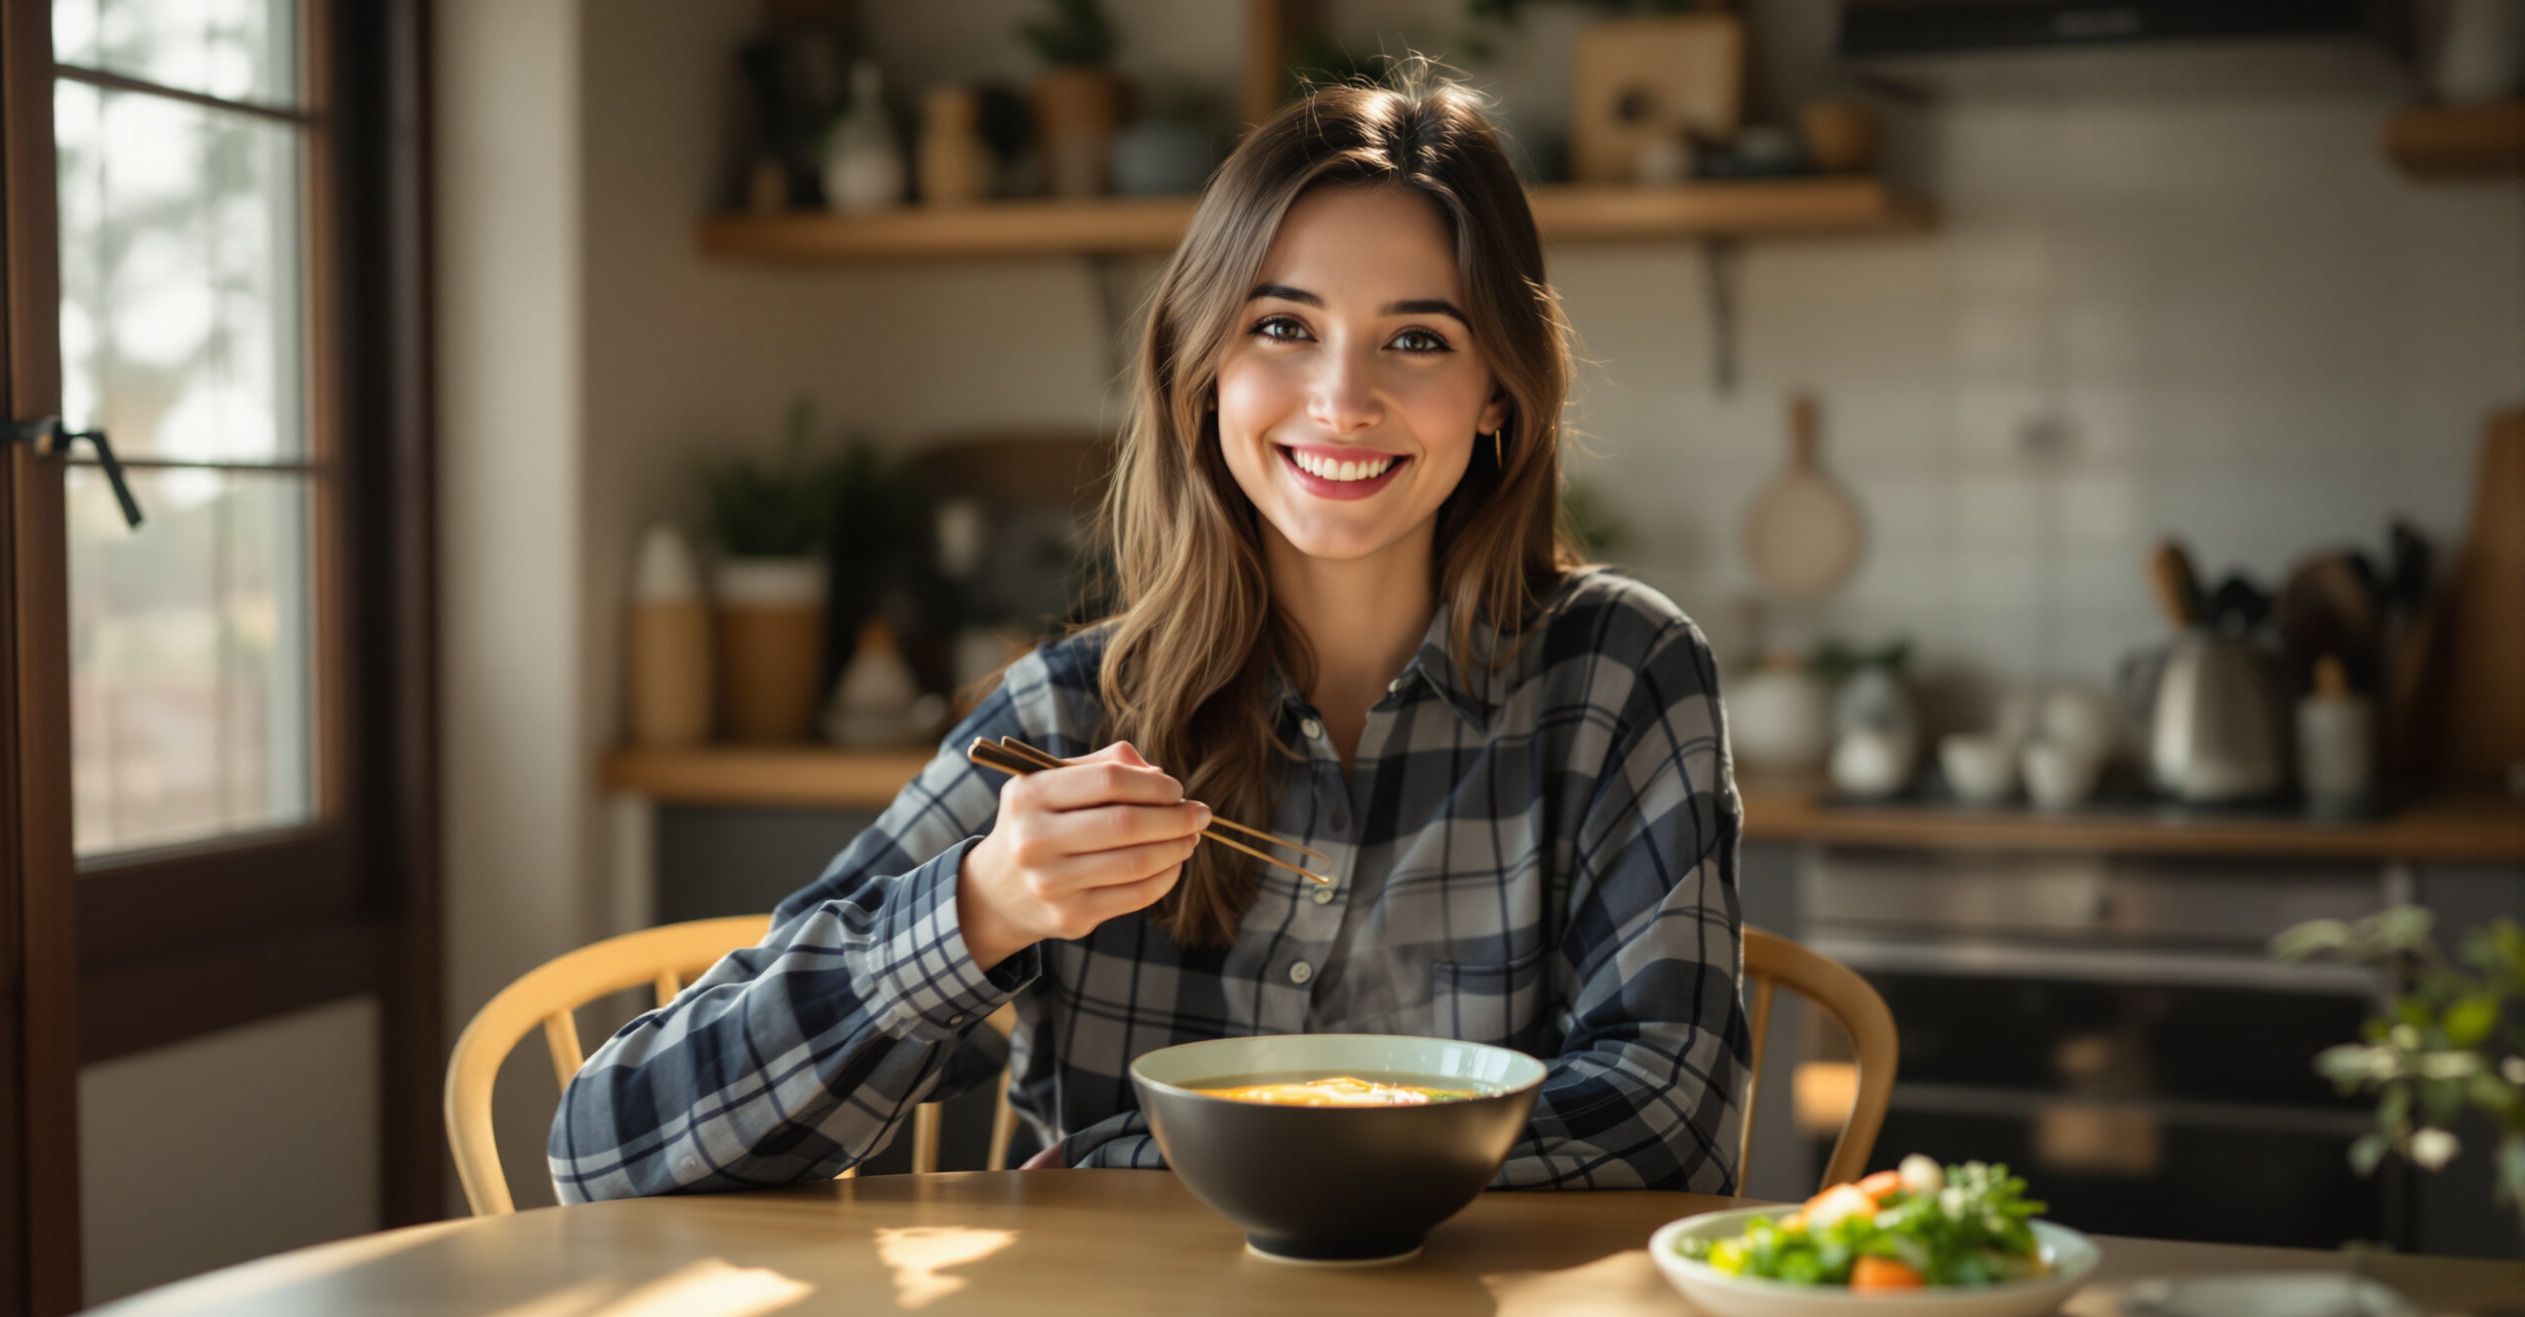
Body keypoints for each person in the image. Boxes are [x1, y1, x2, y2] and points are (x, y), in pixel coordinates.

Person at [550, 77, 1746, 1202]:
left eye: (1419, 338)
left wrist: (1155, 1159)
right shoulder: (1068, 713)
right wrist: (978, 911)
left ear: (1499, 392)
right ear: (1201, 365)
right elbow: (606, 1151)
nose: (1341, 398)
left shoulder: (1617, 674)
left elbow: (1669, 1114)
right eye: (1283, 325)